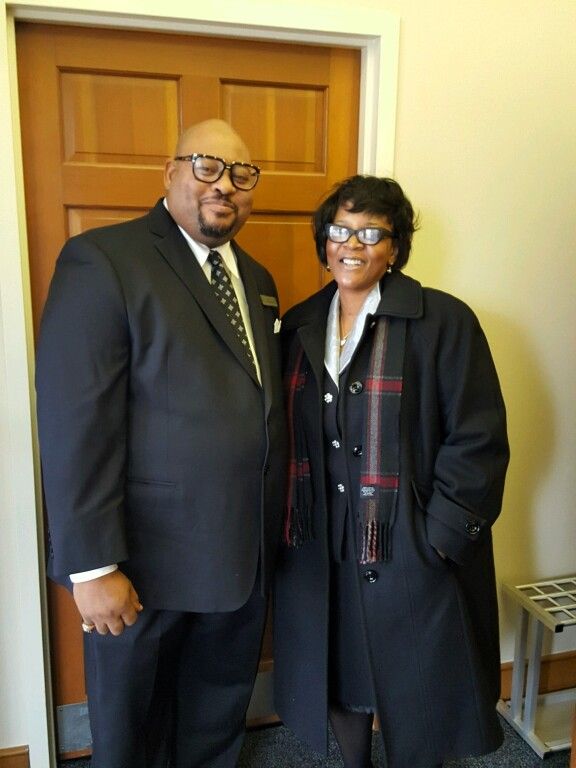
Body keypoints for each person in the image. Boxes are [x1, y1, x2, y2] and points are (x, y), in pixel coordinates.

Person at [36, 119, 287, 768]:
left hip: (238, 557)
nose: (224, 185)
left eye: (240, 173)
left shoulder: (257, 279)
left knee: (214, 723)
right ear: (169, 172)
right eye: (206, 166)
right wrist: (91, 567)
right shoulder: (104, 260)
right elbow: (74, 421)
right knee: (133, 738)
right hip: (140, 567)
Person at [273, 175, 509, 768]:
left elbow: (478, 438)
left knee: (422, 686)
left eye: (371, 232)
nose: (352, 244)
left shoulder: (444, 322)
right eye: (340, 230)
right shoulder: (300, 325)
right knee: (341, 669)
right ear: (324, 241)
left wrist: (442, 541)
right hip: (322, 542)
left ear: (395, 247)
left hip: (410, 541)